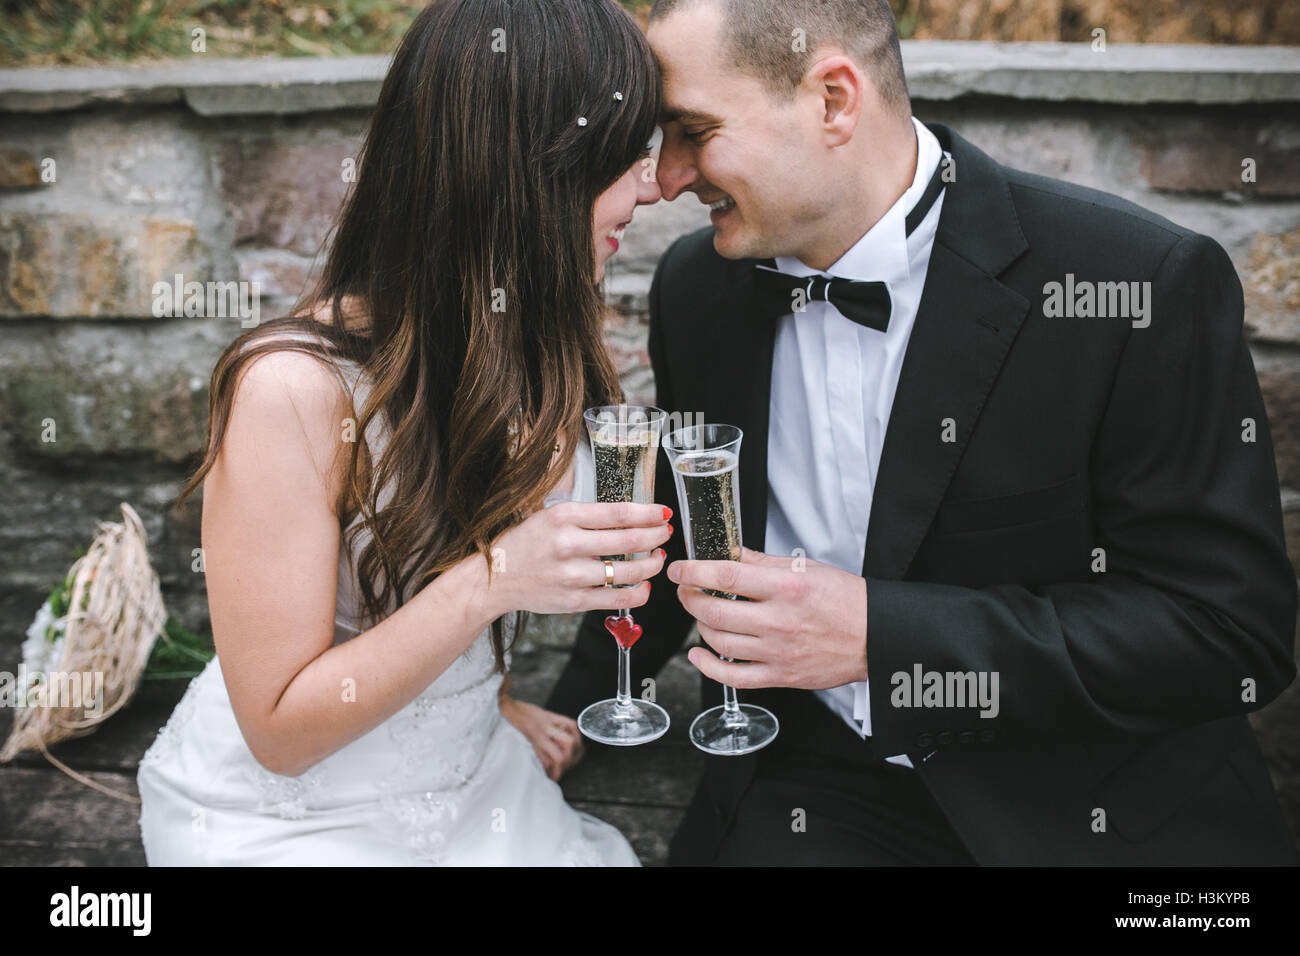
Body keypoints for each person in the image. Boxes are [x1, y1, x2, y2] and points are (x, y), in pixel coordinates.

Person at [547, 0, 1300, 865]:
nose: (667, 179)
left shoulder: (1134, 282)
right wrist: (564, 717)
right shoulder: (697, 289)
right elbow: (680, 536)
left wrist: (879, 635)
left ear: (833, 99)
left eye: (692, 132)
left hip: (1091, 799)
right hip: (815, 786)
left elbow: (1227, 630)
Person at [137, 0, 666, 866]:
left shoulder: (521, 338)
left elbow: (431, 542)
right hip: (293, 818)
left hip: (472, 781)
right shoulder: (290, 390)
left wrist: (486, 702)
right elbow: (278, 731)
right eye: (625, 157)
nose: (650, 188)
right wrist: (494, 582)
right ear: (529, 171)